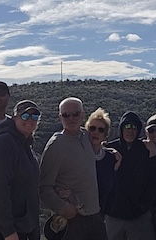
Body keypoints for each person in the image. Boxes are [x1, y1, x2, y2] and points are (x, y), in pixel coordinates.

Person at [39, 97, 107, 240]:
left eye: (75, 114)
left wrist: (113, 152)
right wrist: (64, 208)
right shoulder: (56, 145)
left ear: (82, 115)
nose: (71, 118)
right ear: (60, 117)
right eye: (66, 115)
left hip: (95, 216)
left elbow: (99, 147)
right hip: (72, 221)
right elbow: (43, 187)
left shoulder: (86, 136)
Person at [0, 99, 42, 240]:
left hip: (20, 229)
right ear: (14, 118)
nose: (30, 120)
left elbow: (32, 193)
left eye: (35, 116)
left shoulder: (27, 148)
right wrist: (8, 231)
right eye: (25, 116)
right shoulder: (4, 143)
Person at [104, 112, 156, 240]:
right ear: (121, 128)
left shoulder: (146, 149)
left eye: (134, 127)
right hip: (113, 216)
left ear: (138, 130)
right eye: (127, 126)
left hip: (139, 217)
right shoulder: (110, 149)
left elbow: (154, 179)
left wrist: (144, 206)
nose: (130, 130)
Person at [86, 107, 121, 214]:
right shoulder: (78, 155)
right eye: (92, 128)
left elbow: (113, 190)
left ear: (105, 135)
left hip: (100, 216)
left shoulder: (111, 158)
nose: (96, 132)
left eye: (101, 130)